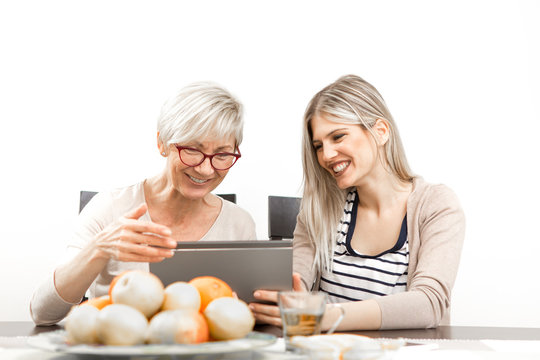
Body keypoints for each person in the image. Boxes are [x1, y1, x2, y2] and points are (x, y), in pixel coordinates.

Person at [30, 82, 256, 325]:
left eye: (222, 155)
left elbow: (248, 320)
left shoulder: (239, 224)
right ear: (162, 143)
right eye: (192, 149)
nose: (205, 168)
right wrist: (99, 248)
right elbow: (42, 313)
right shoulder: (110, 208)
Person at [251, 75, 465, 330]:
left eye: (338, 137)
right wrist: (286, 296)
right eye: (319, 145)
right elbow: (295, 285)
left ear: (381, 131)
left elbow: (429, 303)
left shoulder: (436, 205)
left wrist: (325, 317)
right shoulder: (318, 210)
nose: (326, 155)